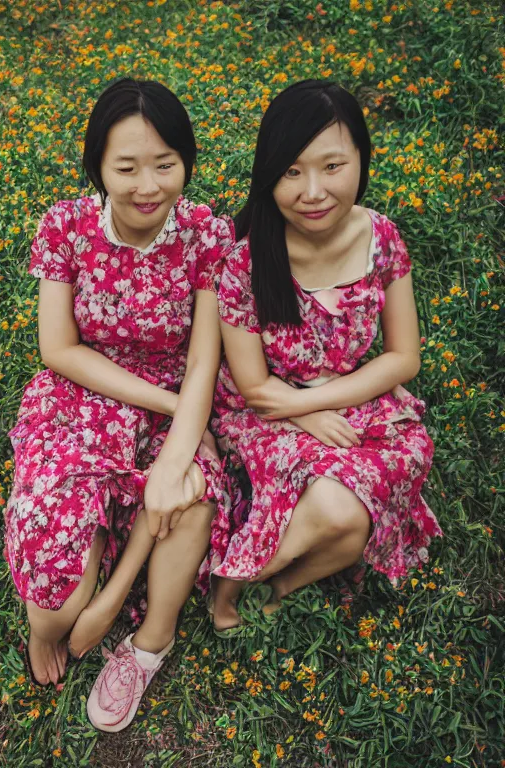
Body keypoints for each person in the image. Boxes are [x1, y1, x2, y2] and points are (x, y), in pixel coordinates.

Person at [3, 78, 233, 730]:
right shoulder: (66, 227)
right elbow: (60, 349)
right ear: (98, 167)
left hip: (177, 395)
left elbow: (202, 361)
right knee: (52, 608)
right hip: (80, 395)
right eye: (126, 167)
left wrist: (182, 440)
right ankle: (72, 589)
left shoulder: (206, 237)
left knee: (188, 496)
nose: (148, 186)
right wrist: (166, 405)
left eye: (165, 164)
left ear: (185, 160)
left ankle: (146, 642)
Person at [208, 79, 442, 634]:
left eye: (332, 166)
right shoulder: (246, 259)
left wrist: (319, 399)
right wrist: (302, 411)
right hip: (257, 411)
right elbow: (256, 388)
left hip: (341, 399)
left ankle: (279, 585)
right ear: (270, 176)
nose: (312, 191)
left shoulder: (381, 238)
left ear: (362, 158)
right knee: (341, 515)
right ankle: (229, 585)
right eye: (291, 172)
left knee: (358, 517)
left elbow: (403, 357)